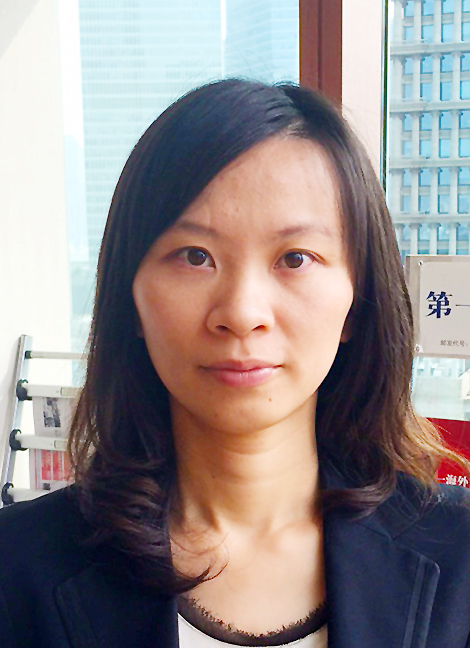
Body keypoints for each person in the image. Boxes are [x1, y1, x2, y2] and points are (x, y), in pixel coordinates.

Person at [1, 79, 470, 648]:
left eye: (295, 258)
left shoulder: (459, 557)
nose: (242, 314)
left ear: (356, 301)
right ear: (131, 299)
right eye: (195, 256)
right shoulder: (16, 569)